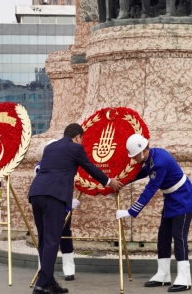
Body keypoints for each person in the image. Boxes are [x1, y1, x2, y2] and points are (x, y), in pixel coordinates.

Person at [28, 123, 124, 294]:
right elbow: (90, 168)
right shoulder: (75, 148)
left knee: (44, 240)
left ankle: (49, 281)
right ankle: (42, 285)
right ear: (78, 137)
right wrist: (109, 182)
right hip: (54, 196)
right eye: (82, 139)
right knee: (52, 240)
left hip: (36, 193)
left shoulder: (50, 148)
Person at [116, 134, 192, 292]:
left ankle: (184, 278)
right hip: (172, 200)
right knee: (163, 237)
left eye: (134, 156)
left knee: (179, 237)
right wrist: (121, 182)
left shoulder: (158, 162)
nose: (133, 159)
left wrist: (131, 211)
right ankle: (163, 274)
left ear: (142, 152)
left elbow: (150, 189)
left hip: (184, 199)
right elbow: (140, 173)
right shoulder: (152, 157)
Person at [35, 139, 79, 282]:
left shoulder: (64, 164)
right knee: (47, 237)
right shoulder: (41, 166)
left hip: (64, 203)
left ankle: (69, 268)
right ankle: (44, 271)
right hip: (52, 203)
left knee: (65, 233)